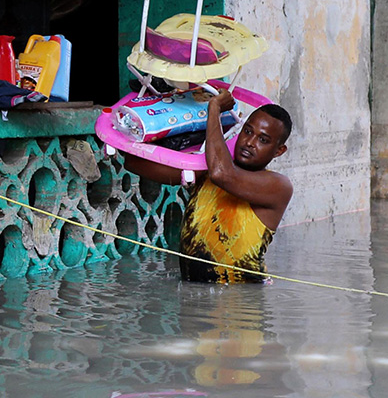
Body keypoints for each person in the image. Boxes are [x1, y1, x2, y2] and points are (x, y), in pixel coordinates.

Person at [123, 89, 293, 283]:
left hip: (242, 300)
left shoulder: (278, 186)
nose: (249, 142)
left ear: (279, 151)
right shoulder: (207, 169)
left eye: (263, 140)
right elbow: (134, 163)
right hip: (194, 296)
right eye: (247, 131)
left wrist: (214, 109)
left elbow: (222, 174)